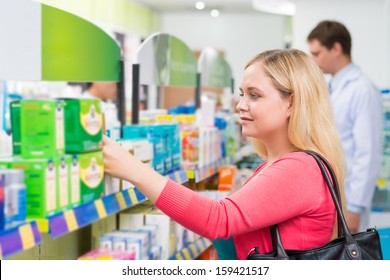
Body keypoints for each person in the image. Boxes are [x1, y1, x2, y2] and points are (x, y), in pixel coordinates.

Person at [103, 49, 346, 260]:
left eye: (254, 95)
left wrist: (134, 169)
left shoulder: (300, 169)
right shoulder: (276, 165)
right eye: (242, 94)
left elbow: (217, 219)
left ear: (292, 103)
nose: (240, 105)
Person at [307, 20, 383, 233]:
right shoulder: (334, 87)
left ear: (336, 49)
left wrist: (355, 208)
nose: (314, 60)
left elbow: (368, 155)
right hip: (330, 195)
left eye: (317, 53)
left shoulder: (361, 90)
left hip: (348, 199)